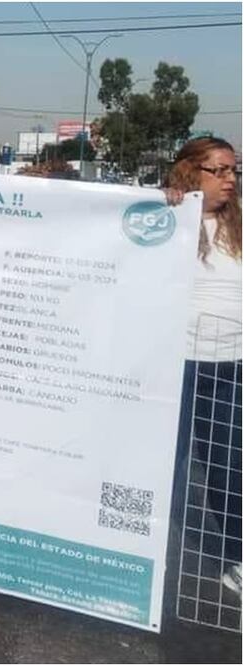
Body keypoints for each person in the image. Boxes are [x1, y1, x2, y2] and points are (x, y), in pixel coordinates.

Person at [165, 137, 242, 600]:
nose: (232, 179)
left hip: (229, 364)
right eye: (222, 170)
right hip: (175, 364)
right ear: (193, 172)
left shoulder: (240, 224)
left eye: (236, 171)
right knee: (161, 465)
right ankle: (140, 549)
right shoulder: (170, 219)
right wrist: (167, 201)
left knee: (226, 466)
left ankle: (237, 554)